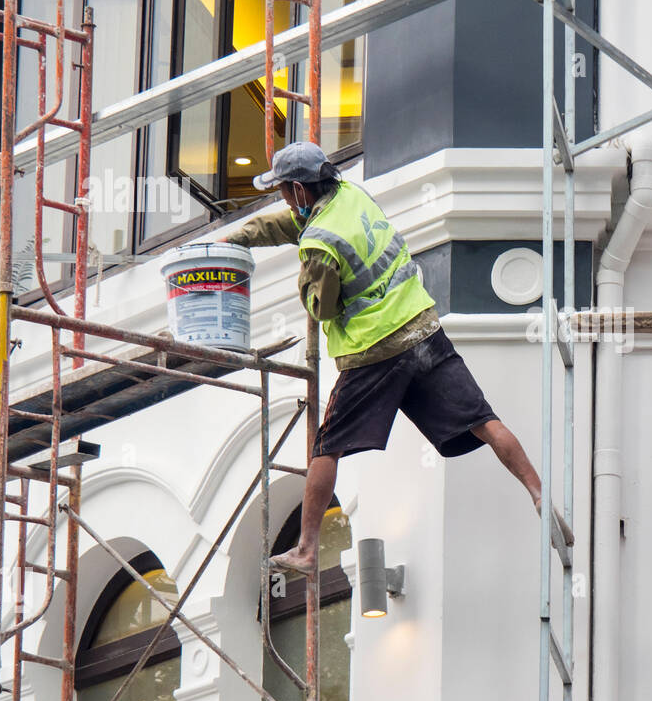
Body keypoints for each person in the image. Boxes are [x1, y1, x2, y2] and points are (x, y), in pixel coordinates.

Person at [221, 142, 566, 573]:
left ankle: (307, 549)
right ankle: (536, 490)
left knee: (328, 446)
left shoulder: (319, 243)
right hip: (422, 328)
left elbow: (322, 307)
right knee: (482, 419)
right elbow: (291, 225)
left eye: (285, 192)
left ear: (299, 189)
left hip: (374, 350)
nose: (284, 201)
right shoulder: (352, 196)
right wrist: (239, 238)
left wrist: (306, 285)